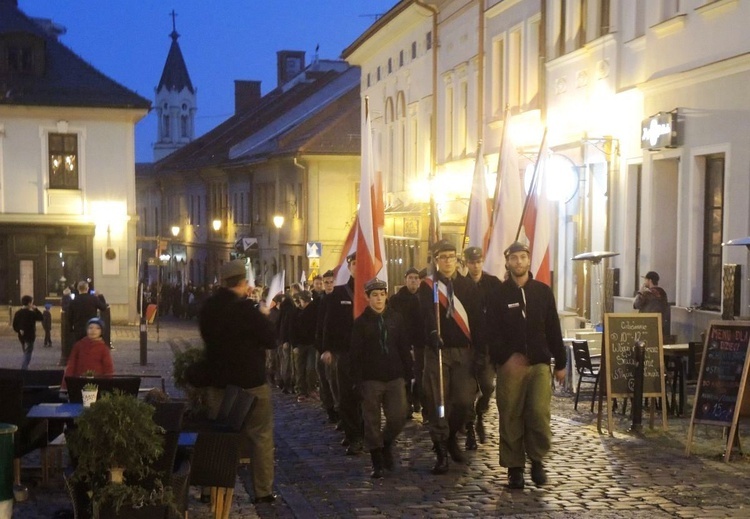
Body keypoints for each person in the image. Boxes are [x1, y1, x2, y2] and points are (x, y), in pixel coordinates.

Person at [487, 241, 566, 489]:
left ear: (529, 260)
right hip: (510, 366)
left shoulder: (542, 292)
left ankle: (537, 459)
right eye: (514, 258)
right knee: (510, 414)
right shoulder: (498, 294)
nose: (519, 262)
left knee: (539, 413)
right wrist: (505, 356)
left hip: (539, 364)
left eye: (523, 257)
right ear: (508, 262)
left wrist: (560, 362)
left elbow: (553, 328)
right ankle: (514, 467)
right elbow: (492, 333)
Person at [199, 259, 278, 504]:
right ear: (243, 283)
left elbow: (206, 337)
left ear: (222, 282)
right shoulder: (248, 310)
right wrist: (264, 316)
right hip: (251, 382)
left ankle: (209, 490)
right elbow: (270, 339)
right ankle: (262, 491)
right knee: (260, 437)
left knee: (219, 436)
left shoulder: (209, 308)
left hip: (219, 382)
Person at [417, 239, 487, 474]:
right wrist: (431, 333)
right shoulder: (428, 287)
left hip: (464, 352)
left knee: (465, 400)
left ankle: (451, 436)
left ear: (457, 259)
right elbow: (425, 315)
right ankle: (440, 449)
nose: (447, 261)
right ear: (435, 260)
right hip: (437, 351)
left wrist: (480, 351)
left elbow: (477, 321)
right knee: (439, 402)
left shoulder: (468, 287)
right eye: (442, 257)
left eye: (451, 256)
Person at [350, 278, 413, 478]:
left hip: (395, 376)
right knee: (372, 420)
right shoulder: (361, 323)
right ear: (367, 298)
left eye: (382, 294)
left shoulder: (396, 318)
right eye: (375, 295)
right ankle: (376, 459)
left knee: (398, 416)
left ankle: (385, 443)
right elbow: (355, 354)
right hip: (371, 378)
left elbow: (404, 347)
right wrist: (356, 380)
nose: (379, 298)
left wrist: (409, 374)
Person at [321, 252, 363, 454]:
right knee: (346, 395)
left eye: (361, 263)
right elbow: (329, 323)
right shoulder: (339, 293)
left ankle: (364, 433)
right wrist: (327, 348)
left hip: (367, 354)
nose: (358, 266)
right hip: (345, 352)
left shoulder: (374, 291)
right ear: (350, 266)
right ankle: (352, 435)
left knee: (366, 396)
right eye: (354, 263)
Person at [463, 246, 502, 449]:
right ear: (466, 263)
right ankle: (469, 428)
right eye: (471, 262)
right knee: (467, 391)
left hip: (487, 345)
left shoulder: (493, 284)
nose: (475, 265)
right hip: (467, 346)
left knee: (487, 385)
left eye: (478, 262)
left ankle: (481, 411)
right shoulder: (461, 285)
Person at [388, 267, 424, 419]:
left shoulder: (424, 296)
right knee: (406, 376)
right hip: (404, 344)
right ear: (405, 280)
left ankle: (417, 398)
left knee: (421, 375)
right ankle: (407, 404)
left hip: (421, 343)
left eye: (416, 278)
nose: (414, 281)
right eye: (411, 278)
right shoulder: (396, 299)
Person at [62, 317, 114, 389]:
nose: (93, 330)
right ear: (86, 330)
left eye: (97, 328)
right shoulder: (79, 345)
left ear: (101, 332)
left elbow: (108, 369)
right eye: (90, 328)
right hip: (79, 382)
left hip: (97, 384)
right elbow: (71, 366)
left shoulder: (104, 349)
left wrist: (109, 386)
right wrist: (65, 386)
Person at [315, 270, 339, 424]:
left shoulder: (340, 299)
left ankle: (338, 410)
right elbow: (318, 326)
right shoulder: (319, 301)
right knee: (326, 380)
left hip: (338, 346)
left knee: (336, 382)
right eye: (326, 283)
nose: (329, 285)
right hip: (323, 346)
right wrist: (322, 347)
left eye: (331, 282)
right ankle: (330, 409)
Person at [65, 280, 107, 364]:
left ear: (78, 289)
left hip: (78, 328)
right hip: (91, 327)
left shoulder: (74, 301)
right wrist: (100, 296)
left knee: (80, 348)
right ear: (87, 288)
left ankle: (81, 363)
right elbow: (103, 307)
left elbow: (69, 317)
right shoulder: (93, 299)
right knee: (91, 347)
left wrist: (70, 328)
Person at [291, 290, 318, 401]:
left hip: (311, 344)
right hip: (300, 344)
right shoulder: (295, 313)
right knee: (300, 369)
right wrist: (294, 345)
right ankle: (301, 391)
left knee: (311, 368)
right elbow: (292, 330)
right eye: (303, 300)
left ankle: (312, 389)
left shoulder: (314, 310)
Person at [633, 271, 670, 336]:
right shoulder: (663, 293)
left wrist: (640, 291)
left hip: (646, 324)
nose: (644, 281)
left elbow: (636, 305)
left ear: (649, 280)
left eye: (645, 279)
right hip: (659, 324)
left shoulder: (646, 293)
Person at [13, 295, 43, 370]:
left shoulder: (18, 313)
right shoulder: (31, 314)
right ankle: (24, 367)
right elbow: (41, 317)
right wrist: (36, 309)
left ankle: (25, 365)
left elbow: (15, 325)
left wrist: (19, 330)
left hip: (21, 336)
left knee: (25, 350)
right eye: (32, 302)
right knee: (28, 352)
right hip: (30, 336)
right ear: (29, 303)